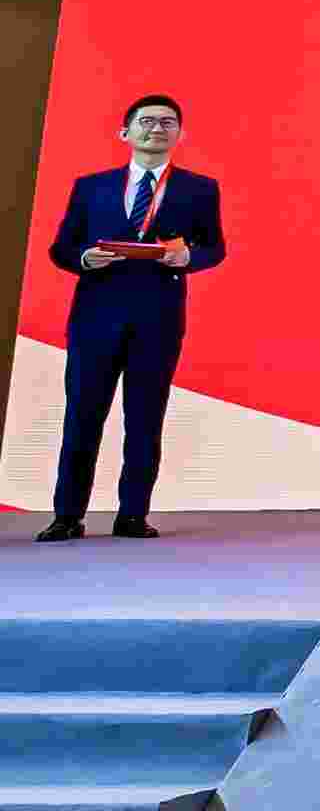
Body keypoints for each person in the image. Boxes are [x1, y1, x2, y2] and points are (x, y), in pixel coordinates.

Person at [36, 93, 227, 543]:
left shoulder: (200, 189)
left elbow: (215, 247)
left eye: (167, 122)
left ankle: (133, 515)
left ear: (180, 134)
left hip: (158, 318)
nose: (157, 128)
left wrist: (189, 257)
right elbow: (62, 248)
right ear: (125, 132)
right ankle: (67, 516)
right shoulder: (91, 187)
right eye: (147, 121)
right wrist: (85, 258)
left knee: (145, 418)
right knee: (82, 416)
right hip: (96, 316)